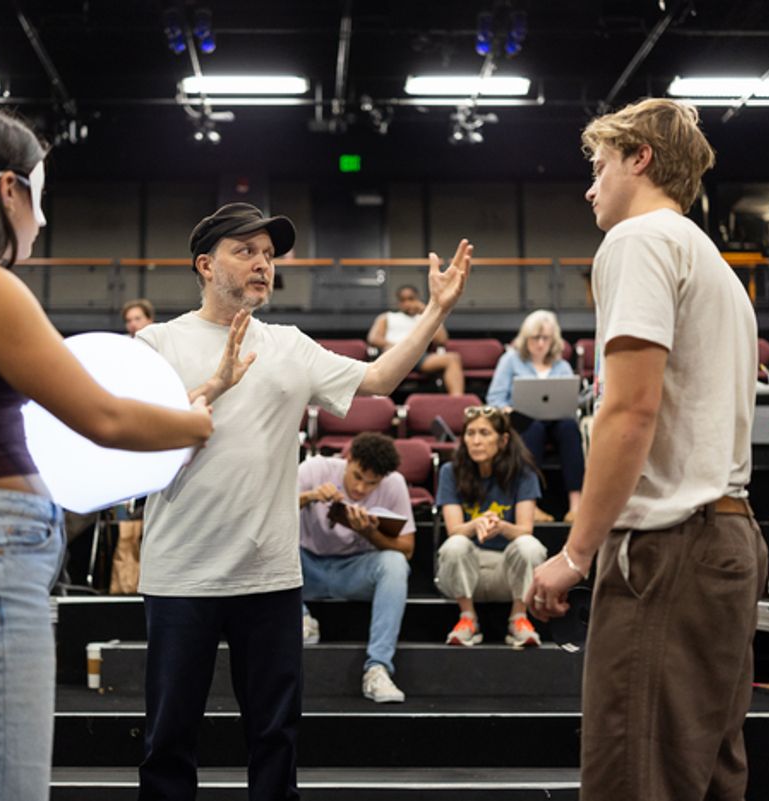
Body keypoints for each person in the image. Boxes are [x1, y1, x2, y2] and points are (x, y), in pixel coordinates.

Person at [0, 106, 214, 801]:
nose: (43, 220)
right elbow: (102, 415)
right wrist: (194, 422)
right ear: (6, 189)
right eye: (39, 193)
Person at [135, 201, 471, 800]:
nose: (263, 264)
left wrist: (437, 311)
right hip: (181, 573)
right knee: (168, 741)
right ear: (205, 265)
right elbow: (136, 441)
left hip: (269, 576)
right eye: (246, 251)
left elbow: (379, 379)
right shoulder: (157, 343)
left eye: (269, 254)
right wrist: (214, 384)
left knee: (275, 739)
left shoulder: (289, 345)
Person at [526, 98, 764, 801]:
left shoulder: (638, 241)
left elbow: (631, 411)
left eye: (600, 166)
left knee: (636, 780)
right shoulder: (718, 268)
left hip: (669, 547)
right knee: (710, 774)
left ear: (641, 159)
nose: (590, 185)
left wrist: (575, 553)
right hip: (729, 538)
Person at [298, 432, 415, 703]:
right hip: (304, 567)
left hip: (352, 571)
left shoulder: (395, 484)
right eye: (358, 476)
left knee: (395, 564)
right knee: (271, 543)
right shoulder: (316, 468)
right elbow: (269, 510)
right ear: (347, 460)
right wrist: (310, 496)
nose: (361, 489)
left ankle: (378, 668)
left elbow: (408, 549)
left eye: (372, 483)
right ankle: (301, 618)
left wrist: (369, 534)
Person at [435, 405, 546, 647]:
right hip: (464, 570)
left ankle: (519, 618)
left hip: (505, 571)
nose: (475, 441)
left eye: (484, 433)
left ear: (503, 439)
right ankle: (467, 619)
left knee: (529, 545)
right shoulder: (450, 472)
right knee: (455, 544)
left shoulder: (523, 473)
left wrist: (502, 526)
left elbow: (525, 529)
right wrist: (476, 524)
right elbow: (454, 530)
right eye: (470, 433)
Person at [486, 309, 585, 522]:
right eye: (535, 338)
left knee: (570, 428)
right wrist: (507, 410)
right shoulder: (510, 360)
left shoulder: (562, 366)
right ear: (526, 338)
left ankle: (576, 505)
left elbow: (570, 400)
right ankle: (531, 504)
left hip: (557, 420)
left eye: (546, 338)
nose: (540, 343)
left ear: (553, 340)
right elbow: (494, 398)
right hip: (524, 421)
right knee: (534, 429)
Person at [367, 285, 465, 395]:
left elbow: (442, 340)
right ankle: (378, 400)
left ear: (417, 299)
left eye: (411, 299)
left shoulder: (424, 318)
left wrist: (427, 311)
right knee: (384, 357)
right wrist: (394, 346)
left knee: (453, 358)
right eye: (403, 300)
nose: (407, 303)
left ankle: (458, 402)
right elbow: (373, 338)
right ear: (398, 303)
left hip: (419, 357)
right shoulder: (387, 317)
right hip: (393, 354)